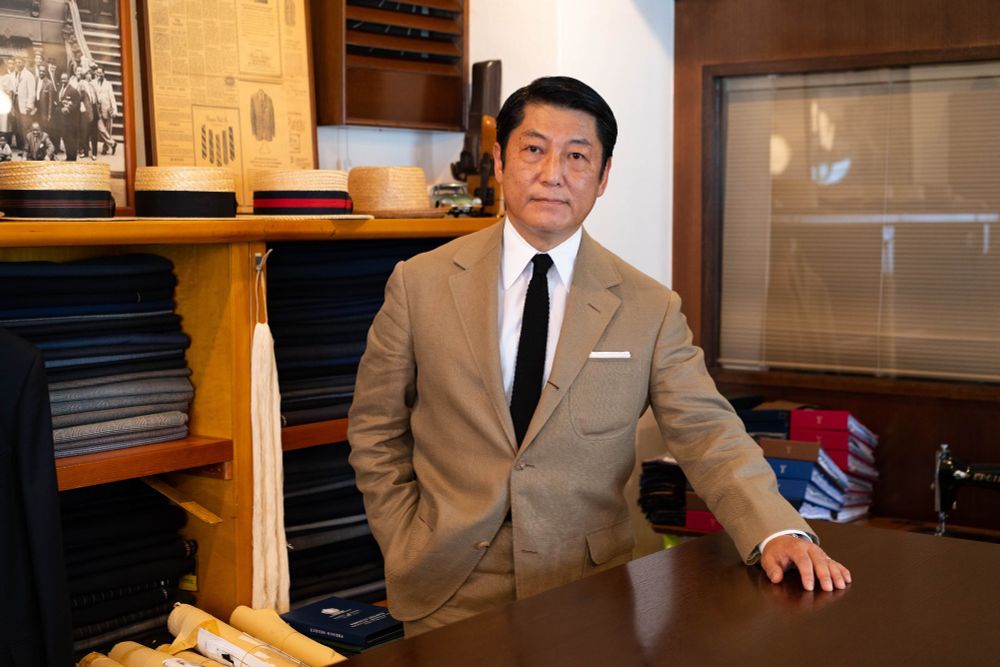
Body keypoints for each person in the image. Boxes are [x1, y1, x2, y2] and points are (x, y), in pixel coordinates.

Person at [347, 76, 852, 637]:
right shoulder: (419, 284)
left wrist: (777, 529)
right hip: (446, 584)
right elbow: (375, 429)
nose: (552, 173)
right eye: (533, 149)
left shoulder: (648, 306)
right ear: (499, 160)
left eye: (577, 156)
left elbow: (708, 432)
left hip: (587, 587)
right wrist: (403, 535)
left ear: (603, 176)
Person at [55, 73, 81, 161]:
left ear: (68, 79)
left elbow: (77, 104)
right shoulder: (59, 88)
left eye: (65, 79)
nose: (63, 81)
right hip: (62, 120)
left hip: (70, 121)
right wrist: (60, 108)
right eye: (62, 79)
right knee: (65, 139)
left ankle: (72, 158)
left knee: (71, 140)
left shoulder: (73, 90)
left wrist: (68, 109)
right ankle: (68, 157)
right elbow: (58, 101)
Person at [92, 68, 117, 155]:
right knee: (101, 128)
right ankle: (112, 143)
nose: (99, 74)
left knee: (108, 129)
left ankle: (105, 148)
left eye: (100, 72)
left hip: (107, 109)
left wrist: (114, 110)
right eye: (97, 72)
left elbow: (112, 97)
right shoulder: (93, 82)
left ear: (103, 73)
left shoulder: (108, 84)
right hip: (97, 110)